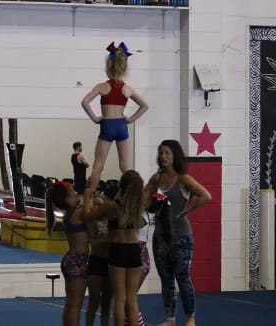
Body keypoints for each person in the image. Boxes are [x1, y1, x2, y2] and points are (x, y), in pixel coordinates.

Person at [145, 139, 211, 326]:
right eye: (161, 153)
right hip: (161, 236)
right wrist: (150, 205)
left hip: (182, 236)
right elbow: (144, 201)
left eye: (167, 153)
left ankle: (190, 316)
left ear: (175, 155)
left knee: (182, 277)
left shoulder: (183, 178)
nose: (163, 156)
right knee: (166, 280)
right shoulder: (156, 178)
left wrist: (188, 209)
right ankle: (170, 318)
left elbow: (206, 195)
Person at [81, 41, 148, 196]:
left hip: (107, 125)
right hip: (121, 125)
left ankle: (88, 197)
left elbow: (84, 102)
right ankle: (135, 196)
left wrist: (95, 118)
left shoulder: (102, 86)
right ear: (123, 68)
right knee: (125, 167)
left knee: (98, 166)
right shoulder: (127, 88)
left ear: (108, 67)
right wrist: (130, 119)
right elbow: (144, 106)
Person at [84, 170, 146, 326]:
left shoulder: (111, 207)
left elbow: (87, 216)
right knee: (132, 299)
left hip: (118, 250)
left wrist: (87, 195)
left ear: (121, 186)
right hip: (134, 250)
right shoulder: (137, 208)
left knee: (119, 298)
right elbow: (142, 223)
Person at [45, 181, 88, 326]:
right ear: (68, 199)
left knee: (69, 304)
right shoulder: (79, 213)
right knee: (76, 306)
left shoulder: (67, 214)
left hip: (69, 259)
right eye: (74, 193)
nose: (77, 194)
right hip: (79, 261)